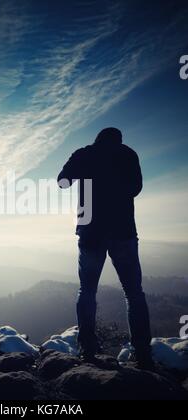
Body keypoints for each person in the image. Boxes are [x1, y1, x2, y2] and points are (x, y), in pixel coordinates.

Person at [58, 128, 153, 370]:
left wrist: (87, 171)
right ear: (118, 140)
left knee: (87, 291)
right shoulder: (128, 154)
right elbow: (135, 188)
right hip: (123, 231)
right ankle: (143, 354)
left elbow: (62, 181)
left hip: (91, 232)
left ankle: (87, 350)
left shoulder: (84, 154)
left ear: (97, 138)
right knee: (134, 293)